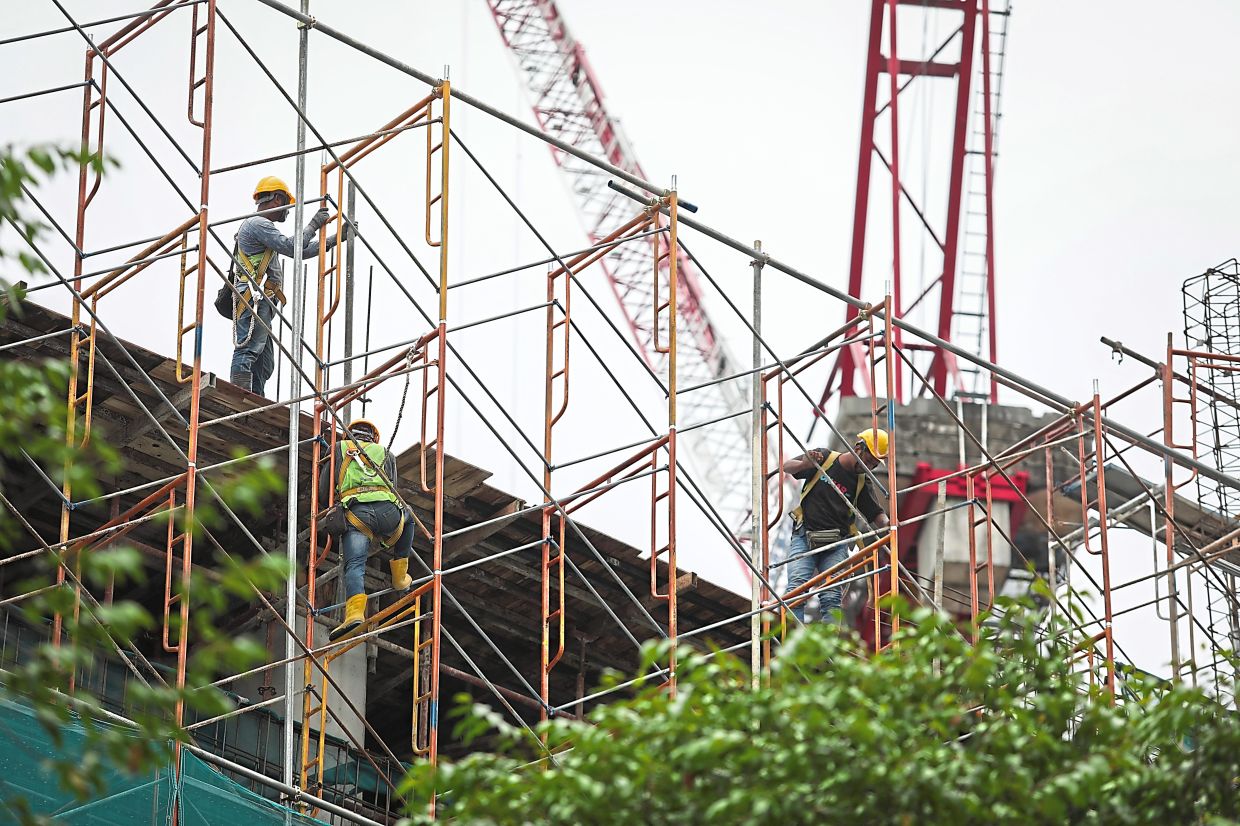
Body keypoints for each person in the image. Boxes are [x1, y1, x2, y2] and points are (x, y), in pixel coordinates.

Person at [229, 176, 347, 396]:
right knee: (248, 350)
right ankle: (239, 394)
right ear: (276, 199)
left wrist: (334, 239)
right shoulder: (258, 224)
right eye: (286, 204)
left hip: (262, 299)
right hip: (254, 297)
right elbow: (292, 246)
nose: (288, 210)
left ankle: (256, 397)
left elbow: (300, 252)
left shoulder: (262, 229)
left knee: (264, 362)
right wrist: (313, 225)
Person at [317, 419, 416, 642]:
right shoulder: (386, 453)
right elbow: (393, 488)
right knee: (408, 517)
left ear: (348, 436)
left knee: (354, 565)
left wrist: (330, 503)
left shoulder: (338, 449)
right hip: (388, 512)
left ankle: (354, 615)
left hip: (356, 513)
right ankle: (400, 576)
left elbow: (324, 490)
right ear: (374, 438)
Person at [782, 428, 890, 624]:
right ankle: (791, 641)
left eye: (873, 466)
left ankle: (826, 649)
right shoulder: (825, 458)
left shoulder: (861, 482)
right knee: (796, 590)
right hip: (805, 535)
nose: (868, 468)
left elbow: (876, 514)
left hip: (836, 544)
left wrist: (891, 525)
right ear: (858, 448)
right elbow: (787, 467)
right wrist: (805, 464)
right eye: (867, 461)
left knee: (831, 597)